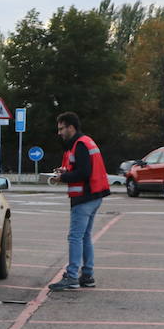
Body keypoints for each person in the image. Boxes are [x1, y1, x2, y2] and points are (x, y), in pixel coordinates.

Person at [48, 111, 111, 291]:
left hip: (84, 196)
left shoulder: (80, 144)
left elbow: (83, 172)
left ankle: (73, 276)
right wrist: (65, 171)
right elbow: (80, 168)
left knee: (75, 237)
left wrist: (63, 178)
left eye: (62, 128)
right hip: (94, 195)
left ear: (71, 127)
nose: (59, 132)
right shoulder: (84, 142)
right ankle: (87, 275)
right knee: (84, 236)